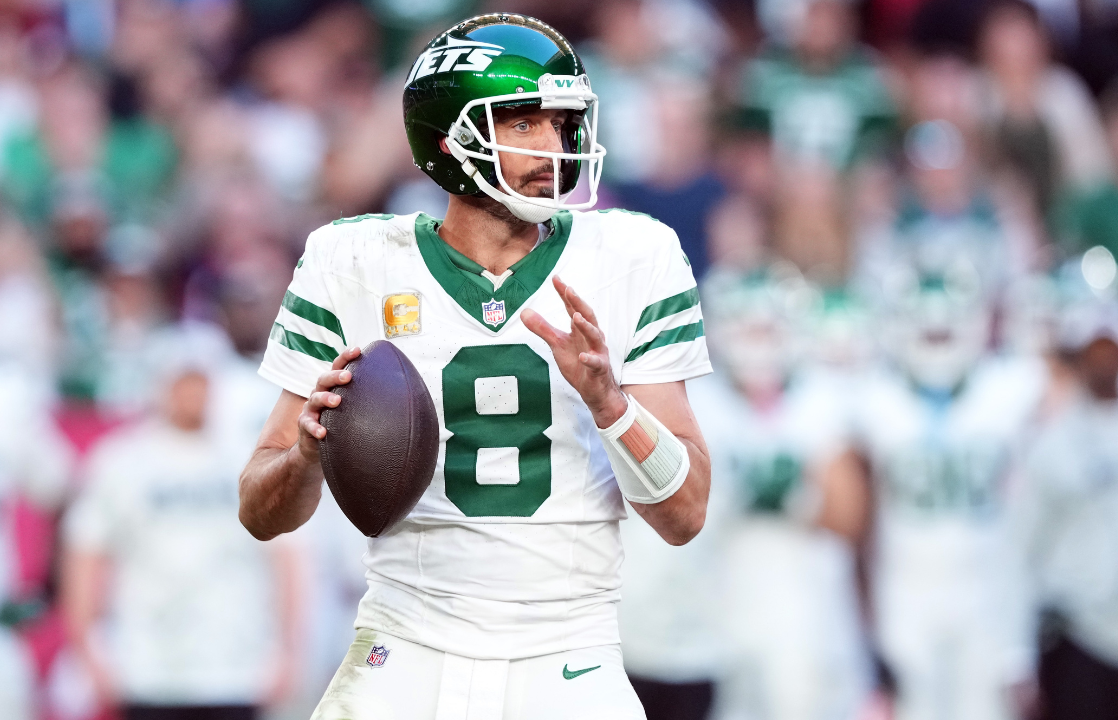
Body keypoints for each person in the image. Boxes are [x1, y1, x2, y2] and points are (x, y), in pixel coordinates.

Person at [239, 13, 713, 720]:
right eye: (523, 124)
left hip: (568, 650)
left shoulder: (634, 257)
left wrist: (611, 405)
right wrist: (307, 454)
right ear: (447, 138)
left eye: (562, 124)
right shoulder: (353, 262)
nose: (554, 147)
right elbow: (258, 511)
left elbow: (685, 514)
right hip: (406, 643)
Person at [63, 327, 299, 720]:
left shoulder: (250, 460)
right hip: (146, 669)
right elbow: (86, 552)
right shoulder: (120, 461)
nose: (193, 393)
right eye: (183, 382)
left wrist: (288, 649)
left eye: (201, 381)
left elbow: (287, 555)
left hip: (234, 670)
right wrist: (87, 648)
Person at [852, 267, 1046, 720]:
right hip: (904, 587)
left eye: (947, 330)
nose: (937, 340)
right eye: (927, 331)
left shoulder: (1011, 387)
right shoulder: (873, 397)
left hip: (988, 588)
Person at [694, 267, 870, 720]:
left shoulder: (822, 395)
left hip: (808, 609)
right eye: (748, 328)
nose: (759, 341)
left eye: (769, 328)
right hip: (719, 607)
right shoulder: (698, 400)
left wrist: (796, 500)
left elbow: (850, 517)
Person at [1016, 299, 1118, 720]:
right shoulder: (1052, 442)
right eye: (1095, 353)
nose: (1105, 364)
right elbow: (1024, 546)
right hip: (1080, 635)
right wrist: (1019, 649)